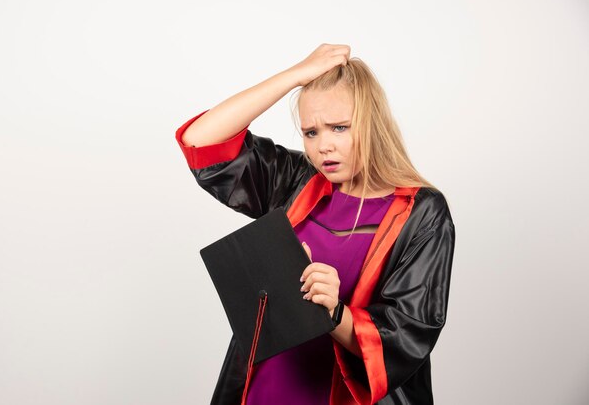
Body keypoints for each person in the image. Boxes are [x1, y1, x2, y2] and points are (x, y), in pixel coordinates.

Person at [175, 44, 456, 405]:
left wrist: (333, 312)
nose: (324, 146)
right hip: (265, 389)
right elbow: (202, 141)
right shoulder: (298, 180)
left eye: (339, 128)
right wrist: (296, 75)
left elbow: (407, 335)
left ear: (372, 124)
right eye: (311, 132)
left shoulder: (421, 212)